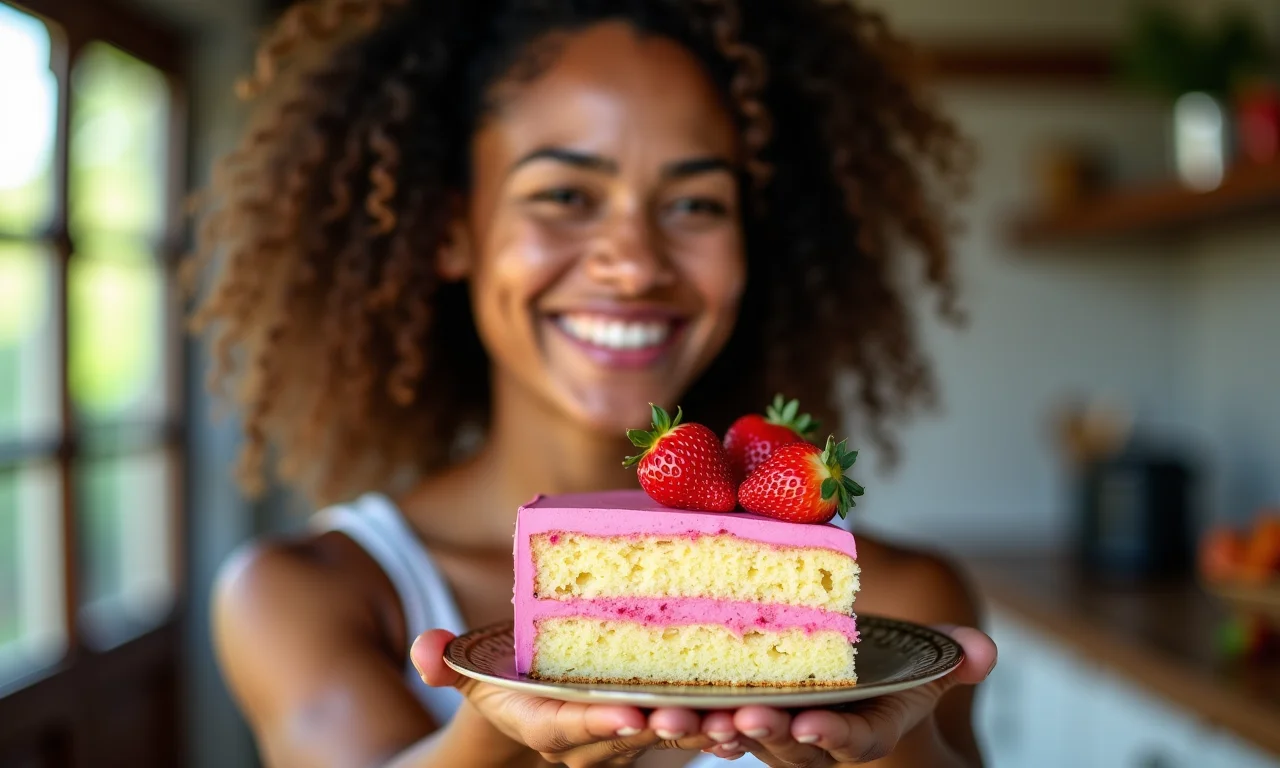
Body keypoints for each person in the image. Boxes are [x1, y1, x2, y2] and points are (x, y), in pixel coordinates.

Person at [190, 0, 998, 765]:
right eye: (566, 195)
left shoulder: (896, 603)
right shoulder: (309, 594)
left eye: (694, 205)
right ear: (450, 231)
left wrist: (884, 751)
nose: (636, 263)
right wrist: (497, 736)